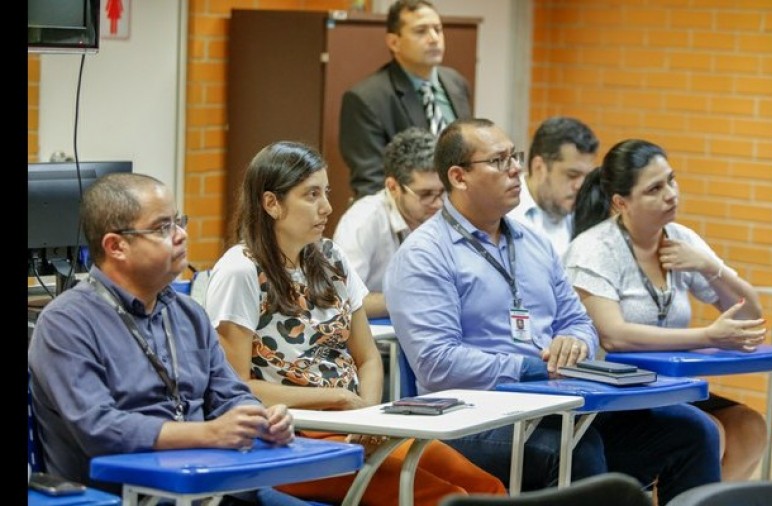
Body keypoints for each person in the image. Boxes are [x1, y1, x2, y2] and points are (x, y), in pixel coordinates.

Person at [383, 118, 722, 505]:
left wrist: (574, 343)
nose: (515, 169)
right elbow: (437, 363)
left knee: (693, 431)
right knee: (575, 450)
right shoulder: (425, 254)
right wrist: (534, 366)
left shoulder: (533, 242)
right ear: (459, 177)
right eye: (499, 160)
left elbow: (578, 321)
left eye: (515, 156)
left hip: (556, 404)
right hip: (471, 418)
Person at [203, 141, 507, 506]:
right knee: (446, 498)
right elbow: (237, 387)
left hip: (353, 425)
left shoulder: (330, 258)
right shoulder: (241, 270)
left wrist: (369, 417)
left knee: (486, 489)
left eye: (326, 192)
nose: (326, 207)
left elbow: (367, 357)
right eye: (311, 195)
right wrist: (339, 399)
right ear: (271, 204)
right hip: (286, 439)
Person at [27, 172, 304, 506]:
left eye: (179, 221)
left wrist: (261, 419)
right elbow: (99, 429)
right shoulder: (66, 322)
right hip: (130, 495)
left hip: (214, 484)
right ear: (116, 246)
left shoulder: (189, 314)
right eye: (162, 228)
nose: (182, 235)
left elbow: (230, 395)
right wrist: (209, 434)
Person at [564, 138, 769, 481]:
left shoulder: (681, 239)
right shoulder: (593, 249)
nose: (671, 194)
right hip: (613, 396)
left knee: (750, 427)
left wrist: (709, 266)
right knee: (709, 432)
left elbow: (749, 316)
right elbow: (614, 336)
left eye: (671, 180)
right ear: (620, 202)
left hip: (670, 388)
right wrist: (706, 336)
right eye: (655, 189)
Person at [339, 0, 472, 200]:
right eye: (421, 31)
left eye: (438, 29)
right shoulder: (366, 99)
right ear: (394, 42)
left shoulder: (456, 83)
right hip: (407, 216)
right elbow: (371, 183)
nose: (434, 38)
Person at [333, 126, 443, 319]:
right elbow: (341, 300)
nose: (438, 203)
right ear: (393, 187)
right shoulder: (362, 220)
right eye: (425, 194)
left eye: (442, 192)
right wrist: (414, 301)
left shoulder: (445, 213)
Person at [507, 116, 599, 258]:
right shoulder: (502, 212)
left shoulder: (586, 213)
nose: (580, 186)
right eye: (572, 175)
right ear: (539, 167)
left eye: (586, 177)